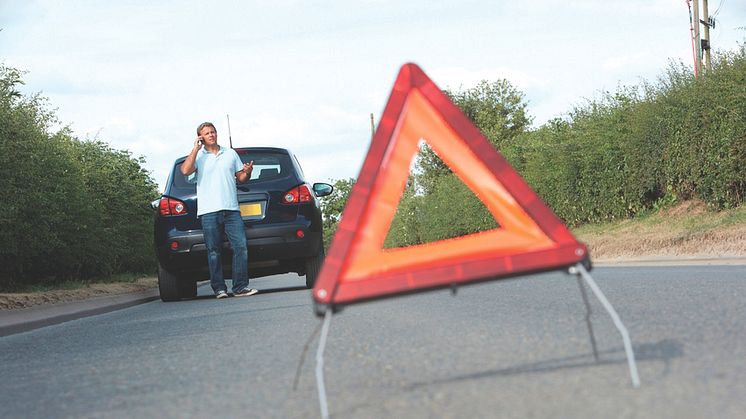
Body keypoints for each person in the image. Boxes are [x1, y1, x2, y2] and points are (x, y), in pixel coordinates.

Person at [180, 122, 258, 299]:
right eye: (206, 133)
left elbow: (242, 178)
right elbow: (185, 170)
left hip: (231, 209)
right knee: (213, 250)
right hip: (209, 211)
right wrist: (195, 149)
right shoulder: (198, 157)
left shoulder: (230, 153)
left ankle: (240, 287)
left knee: (241, 247)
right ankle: (219, 289)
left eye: (213, 132)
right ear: (201, 137)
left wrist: (248, 171)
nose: (211, 135)